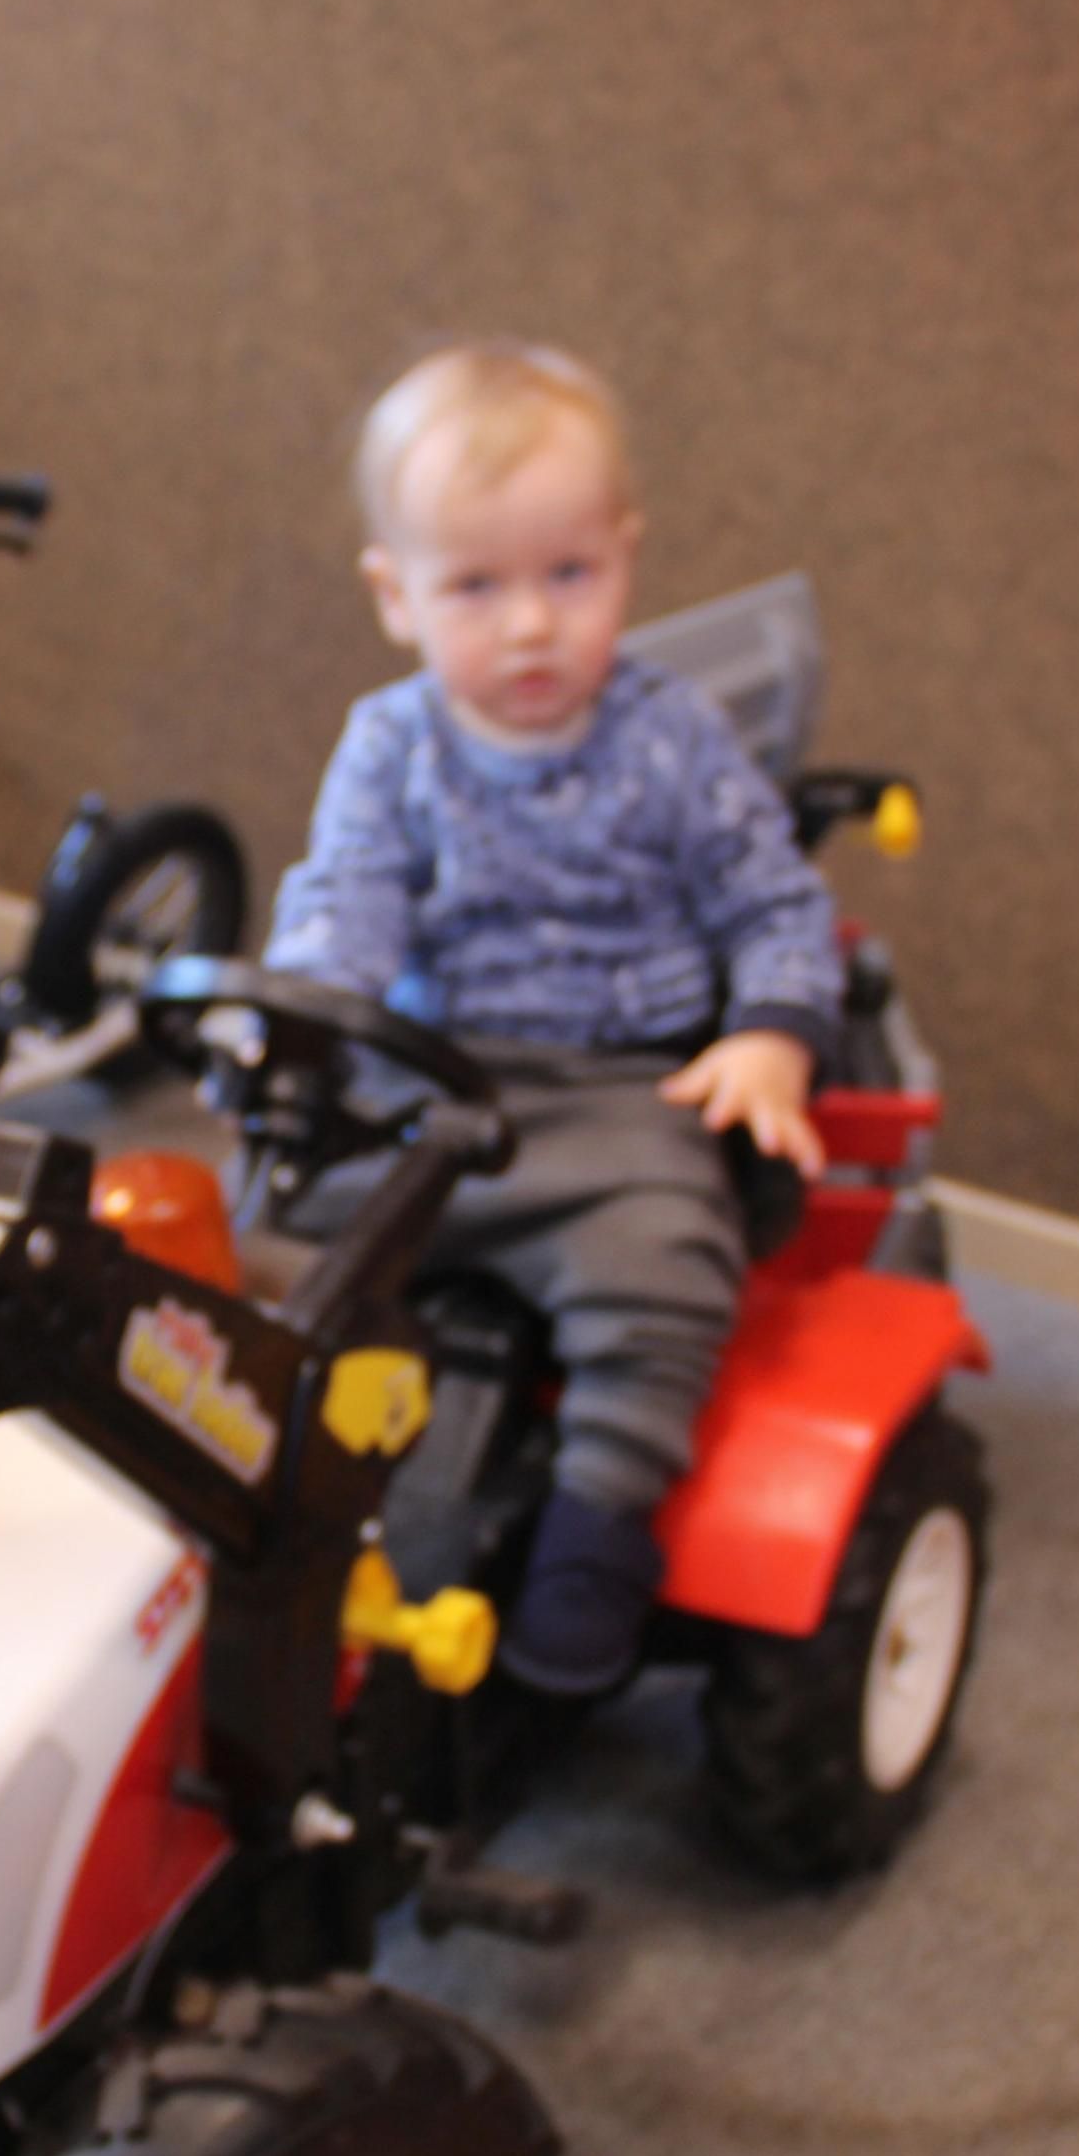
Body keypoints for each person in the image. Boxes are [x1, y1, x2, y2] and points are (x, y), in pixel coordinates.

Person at [266, 342, 843, 1708]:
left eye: (568, 575)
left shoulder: (672, 737)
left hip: (621, 1092)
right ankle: (275, 1484)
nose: (530, 624)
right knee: (271, 1218)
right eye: (476, 587)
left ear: (624, 557)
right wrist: (305, 1018)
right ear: (396, 595)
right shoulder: (391, 746)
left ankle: (599, 1518)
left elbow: (775, 903)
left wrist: (770, 1035)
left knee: (665, 1260)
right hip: (432, 1086)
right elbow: (345, 903)